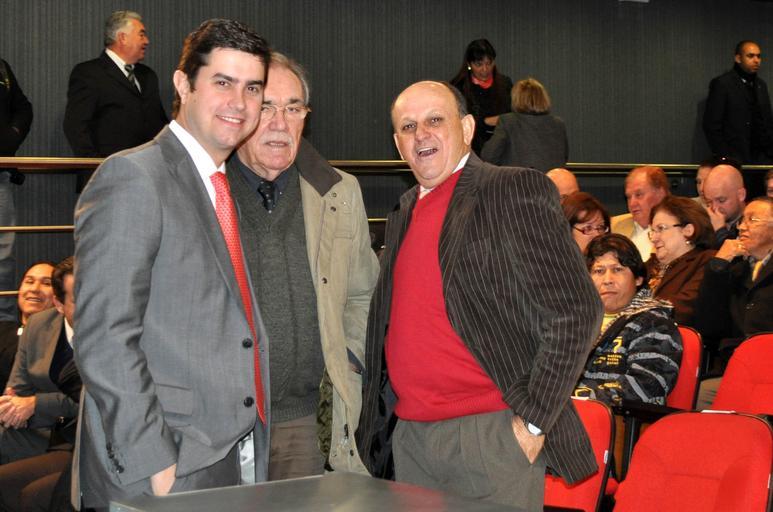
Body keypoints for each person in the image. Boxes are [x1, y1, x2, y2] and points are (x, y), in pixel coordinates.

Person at [356, 81, 602, 511]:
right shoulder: (403, 211)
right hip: (411, 439)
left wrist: (533, 423)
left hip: (489, 437)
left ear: (468, 128)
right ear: (398, 145)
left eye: (435, 120)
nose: (421, 134)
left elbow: (577, 311)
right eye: (408, 127)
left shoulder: (511, 189)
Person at [73, 19, 271, 509]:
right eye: (223, 82)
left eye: (252, 88)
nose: (239, 102)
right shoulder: (133, 176)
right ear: (183, 84)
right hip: (164, 467)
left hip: (229, 455)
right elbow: (104, 336)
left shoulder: (224, 186)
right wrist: (157, 465)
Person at [226, 52, 378, 479]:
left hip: (309, 423)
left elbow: (365, 292)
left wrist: (347, 357)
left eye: (293, 108)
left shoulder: (340, 193)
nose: (280, 122)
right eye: (267, 107)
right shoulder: (207, 192)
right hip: (226, 424)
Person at [0, 257, 78, 512]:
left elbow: (94, 398)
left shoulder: (108, 331)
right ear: (59, 303)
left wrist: (37, 403)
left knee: (31, 495)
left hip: (77, 437)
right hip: (34, 429)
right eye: (78, 299)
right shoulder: (38, 325)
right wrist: (16, 406)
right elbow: (17, 388)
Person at [63, 10, 168, 187]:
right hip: (106, 180)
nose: (146, 41)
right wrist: (98, 168)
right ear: (122, 38)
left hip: (149, 178)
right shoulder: (89, 73)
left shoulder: (148, 76)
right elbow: (75, 126)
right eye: (141, 34)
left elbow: (159, 124)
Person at [575, 234, 682, 406]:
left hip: (616, 417)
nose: (608, 280)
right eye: (599, 271)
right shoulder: (573, 322)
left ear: (638, 278)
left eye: (617, 270)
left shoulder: (655, 323)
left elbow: (645, 385)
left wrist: (577, 397)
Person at [696, 197, 773, 386]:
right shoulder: (735, 270)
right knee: (702, 394)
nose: (742, 227)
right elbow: (709, 326)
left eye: (752, 220)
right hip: (733, 365)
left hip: (767, 368)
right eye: (742, 221)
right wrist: (718, 264)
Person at [646, 196, 716, 327]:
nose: (654, 238)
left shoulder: (707, 261)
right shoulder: (649, 266)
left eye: (661, 228)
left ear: (688, 230)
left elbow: (686, 307)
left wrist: (638, 315)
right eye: (653, 231)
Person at [703, 40, 773, 166]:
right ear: (738, 58)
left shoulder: (761, 85)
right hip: (734, 158)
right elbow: (712, 125)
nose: (756, 60)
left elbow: (767, 122)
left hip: (762, 159)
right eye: (750, 56)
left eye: (759, 56)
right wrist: (725, 157)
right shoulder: (723, 84)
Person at [0, 58, 32, 324]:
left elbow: (23, 107)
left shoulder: (1, 67)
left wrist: (11, 135)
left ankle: (4, 322)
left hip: (0, 174)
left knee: (3, 255)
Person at [481, 77, 568, 172]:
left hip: (516, 180)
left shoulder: (507, 122)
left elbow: (489, 156)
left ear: (516, 99)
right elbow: (563, 157)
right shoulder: (558, 124)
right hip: (551, 179)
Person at [0, 261, 55, 395]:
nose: (35, 289)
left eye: (46, 283)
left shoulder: (63, 338)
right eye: (29, 281)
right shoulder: (3, 330)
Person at [450, 39, 512, 154]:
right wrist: (486, 122)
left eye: (489, 63)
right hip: (472, 149)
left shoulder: (505, 84)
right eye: (479, 64)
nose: (485, 69)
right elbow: (456, 123)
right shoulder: (458, 87)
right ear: (469, 64)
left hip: (503, 149)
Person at [611, 166, 670, 260]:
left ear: (660, 193)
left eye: (639, 195)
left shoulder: (677, 230)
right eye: (628, 197)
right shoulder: (614, 226)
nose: (632, 203)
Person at [703, 162, 746, 246]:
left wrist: (719, 231)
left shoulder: (755, 224)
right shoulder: (705, 222)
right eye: (709, 202)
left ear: (741, 195)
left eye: (721, 200)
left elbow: (735, 253)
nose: (715, 208)